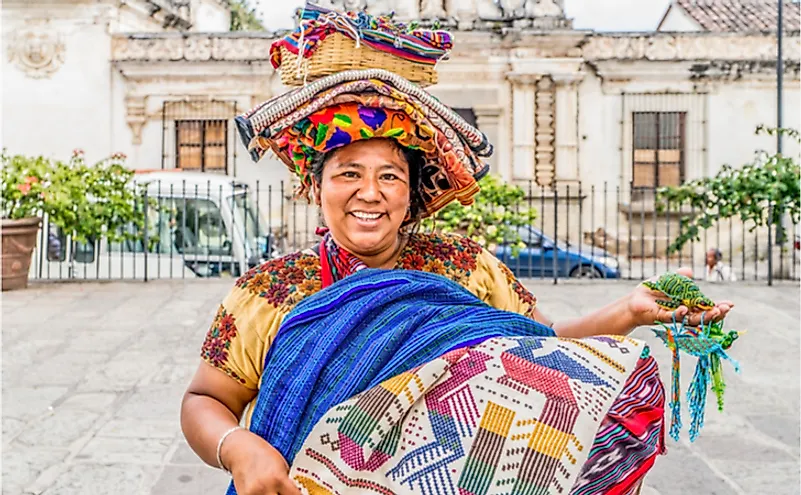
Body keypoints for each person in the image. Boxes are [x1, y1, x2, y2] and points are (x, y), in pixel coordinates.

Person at [180, 14, 733, 495]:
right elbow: (206, 399)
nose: (369, 194)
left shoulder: (465, 268)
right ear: (315, 186)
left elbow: (544, 348)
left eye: (389, 177)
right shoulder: (269, 290)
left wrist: (631, 311)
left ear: (411, 191)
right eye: (348, 174)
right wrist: (238, 448)